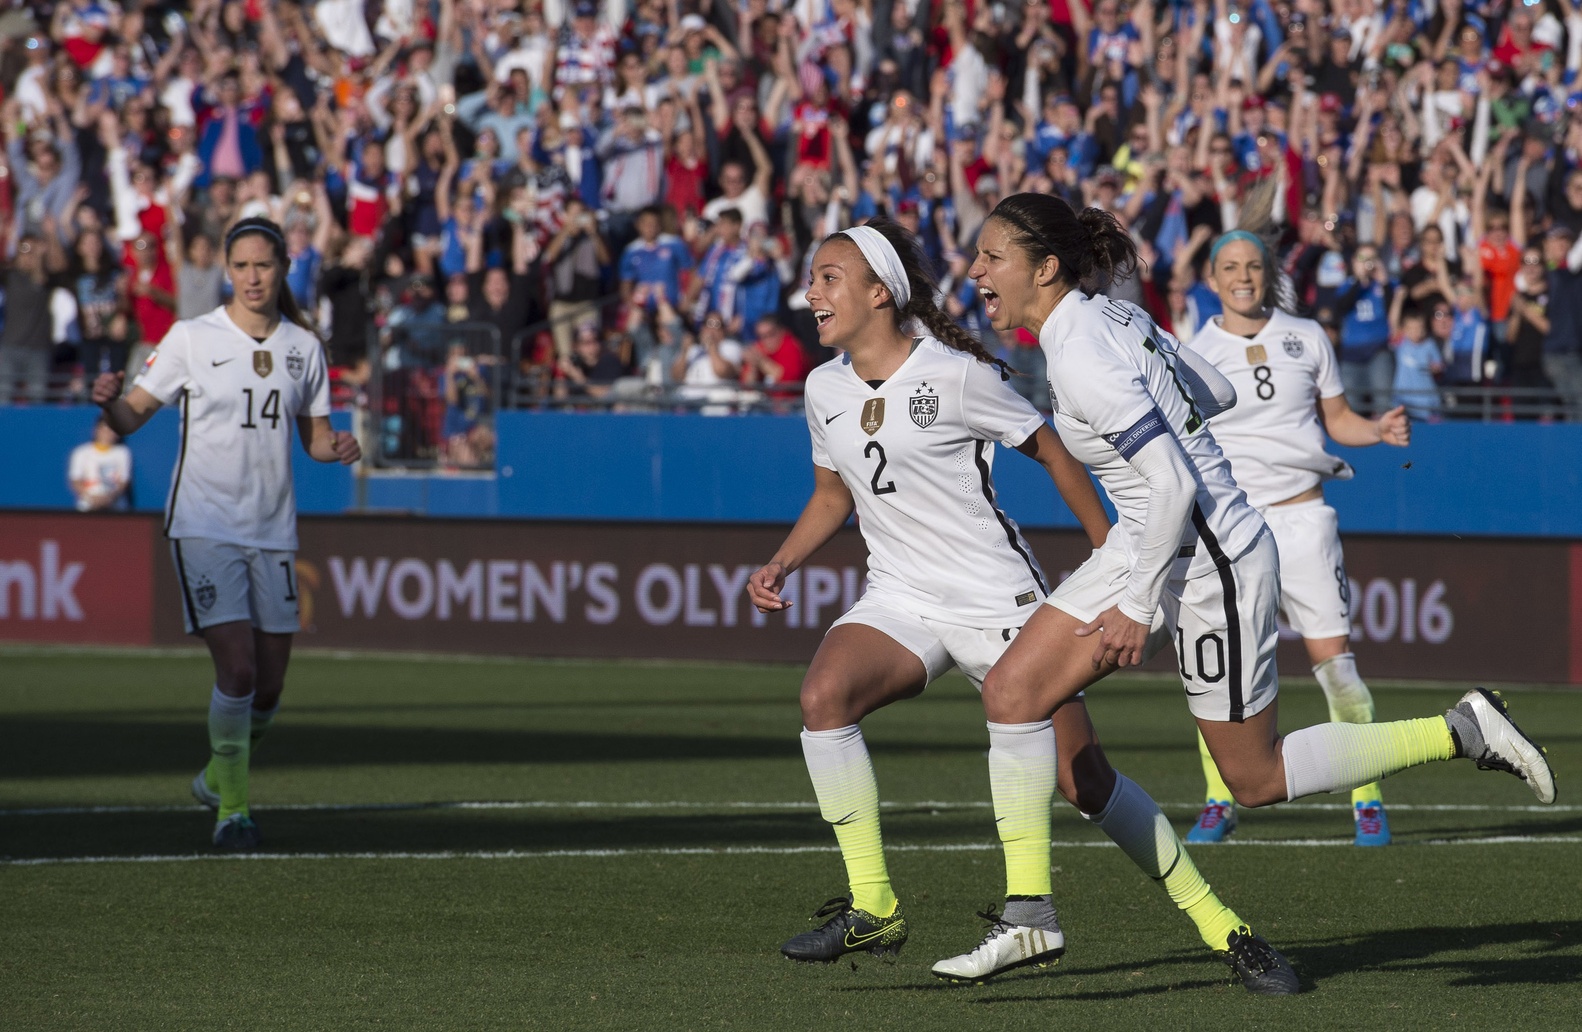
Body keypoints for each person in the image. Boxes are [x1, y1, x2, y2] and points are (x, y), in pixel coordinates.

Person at [954, 192, 1555, 983]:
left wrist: (1136, 608)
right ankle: (1030, 914)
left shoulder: (1077, 351)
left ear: (1045, 267)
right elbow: (1218, 393)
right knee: (1011, 691)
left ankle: (1459, 730)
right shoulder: (1114, 319)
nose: (975, 271)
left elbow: (1170, 480)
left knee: (1254, 778)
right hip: (1150, 545)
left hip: (1210, 563)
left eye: (992, 257)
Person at [756, 219, 1290, 995]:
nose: (812, 292)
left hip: (996, 599)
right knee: (822, 697)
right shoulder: (823, 387)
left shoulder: (956, 374)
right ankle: (874, 905)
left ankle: (1225, 927)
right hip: (901, 597)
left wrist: (1115, 553)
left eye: (828, 277)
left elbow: (1052, 450)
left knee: (1088, 784)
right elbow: (830, 495)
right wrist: (782, 560)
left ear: (881, 291)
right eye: (813, 278)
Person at [90, 217, 361, 851]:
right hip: (206, 523)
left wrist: (337, 446)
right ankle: (233, 813)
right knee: (237, 672)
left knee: (269, 687)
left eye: (262, 264)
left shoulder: (304, 347)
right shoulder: (190, 337)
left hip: (273, 530)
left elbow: (316, 439)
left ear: (283, 268)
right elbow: (132, 414)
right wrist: (108, 401)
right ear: (227, 271)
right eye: (240, 265)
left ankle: (218, 773)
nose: (251, 276)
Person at [1185, 224, 1412, 847]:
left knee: (1336, 669)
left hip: (1303, 517)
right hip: (1232, 524)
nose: (1241, 277)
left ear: (1268, 274)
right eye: (1229, 267)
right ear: (1212, 280)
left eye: (1252, 266)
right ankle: (1217, 801)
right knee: (1221, 673)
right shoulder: (1191, 348)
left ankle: (1366, 799)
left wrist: (1378, 429)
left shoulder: (1308, 336)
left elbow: (1337, 420)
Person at [68, 417, 133, 512]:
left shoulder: (123, 453)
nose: (107, 434)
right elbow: (75, 480)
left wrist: (110, 498)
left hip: (116, 506)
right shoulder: (81, 452)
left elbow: (124, 481)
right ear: (96, 430)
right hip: (87, 505)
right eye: (104, 429)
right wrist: (91, 498)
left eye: (112, 430)